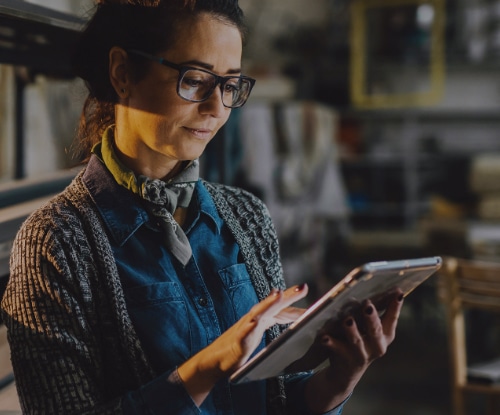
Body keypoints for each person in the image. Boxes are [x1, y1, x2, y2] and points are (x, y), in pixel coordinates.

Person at [0, 0, 404, 414]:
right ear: (122, 73)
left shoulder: (246, 215)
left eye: (229, 85)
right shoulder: (54, 243)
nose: (215, 109)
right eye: (194, 79)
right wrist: (208, 368)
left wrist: (336, 382)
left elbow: (270, 398)